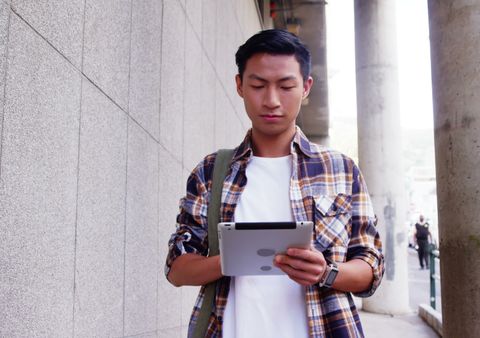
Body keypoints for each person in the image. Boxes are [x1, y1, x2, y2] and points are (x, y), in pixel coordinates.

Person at [164, 29, 384, 338]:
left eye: (286, 86)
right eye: (257, 85)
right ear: (239, 85)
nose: (271, 100)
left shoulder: (341, 169)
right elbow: (176, 268)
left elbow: (371, 269)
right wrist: (233, 258)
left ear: (306, 87)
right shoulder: (212, 171)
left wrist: (325, 272)